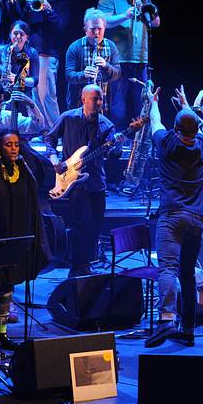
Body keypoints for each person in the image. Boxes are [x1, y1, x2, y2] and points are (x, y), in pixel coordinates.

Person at [0, 128, 49, 357]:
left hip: (14, 239)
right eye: (9, 144)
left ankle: (2, 334)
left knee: (7, 288)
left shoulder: (23, 170)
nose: (14, 148)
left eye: (16, 144)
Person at [143, 84, 203, 348]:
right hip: (197, 220)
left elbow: (155, 120)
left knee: (168, 268)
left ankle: (168, 320)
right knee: (188, 275)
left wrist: (153, 101)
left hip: (173, 217)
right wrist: (186, 104)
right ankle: (189, 331)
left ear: (177, 130)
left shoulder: (167, 143)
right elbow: (194, 123)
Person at [44, 85, 124, 277]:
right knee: (84, 222)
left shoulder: (106, 125)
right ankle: (77, 266)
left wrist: (119, 144)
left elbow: (113, 155)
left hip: (96, 181)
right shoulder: (68, 117)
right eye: (95, 99)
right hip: (74, 182)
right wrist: (54, 159)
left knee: (96, 226)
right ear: (83, 100)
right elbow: (49, 139)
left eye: (100, 99)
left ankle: (85, 264)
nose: (99, 102)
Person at [98, 0, 160, 131]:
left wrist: (143, 7)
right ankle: (115, 138)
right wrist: (126, 15)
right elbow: (103, 21)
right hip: (119, 60)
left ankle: (139, 140)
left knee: (142, 102)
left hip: (141, 60)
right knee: (118, 103)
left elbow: (156, 23)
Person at [25, 0, 69, 135]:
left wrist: (49, 10)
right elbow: (24, 26)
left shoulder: (61, 7)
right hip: (31, 56)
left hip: (47, 56)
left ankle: (54, 132)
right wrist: (28, 8)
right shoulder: (35, 8)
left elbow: (60, 28)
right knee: (35, 96)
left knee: (46, 96)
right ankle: (42, 130)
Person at [65, 8, 121, 111]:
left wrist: (106, 66)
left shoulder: (111, 46)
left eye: (100, 29)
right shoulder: (75, 47)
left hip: (103, 105)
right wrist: (83, 74)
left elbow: (117, 73)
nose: (96, 33)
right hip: (79, 105)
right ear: (85, 30)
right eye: (92, 29)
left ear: (104, 28)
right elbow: (69, 75)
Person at [0, 20, 40, 114]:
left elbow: (35, 81)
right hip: (3, 98)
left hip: (24, 97)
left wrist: (19, 79)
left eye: (21, 34)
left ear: (27, 37)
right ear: (10, 34)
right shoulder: (0, 50)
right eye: (15, 33)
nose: (18, 37)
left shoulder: (32, 53)